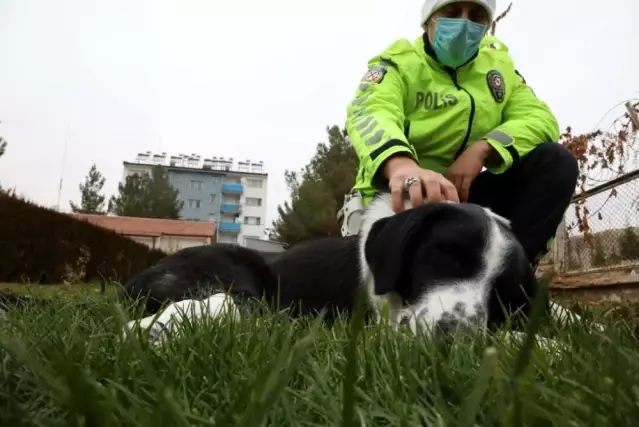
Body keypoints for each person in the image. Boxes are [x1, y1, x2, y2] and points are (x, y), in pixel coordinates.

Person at [341, 0, 578, 269]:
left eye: (476, 16)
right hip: (401, 196)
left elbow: (540, 119)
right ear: (429, 19)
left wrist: (484, 148)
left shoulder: (499, 70)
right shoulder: (398, 64)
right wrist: (402, 165)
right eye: (452, 13)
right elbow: (370, 111)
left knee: (555, 162)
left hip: (466, 198)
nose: (464, 24)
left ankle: (513, 279)